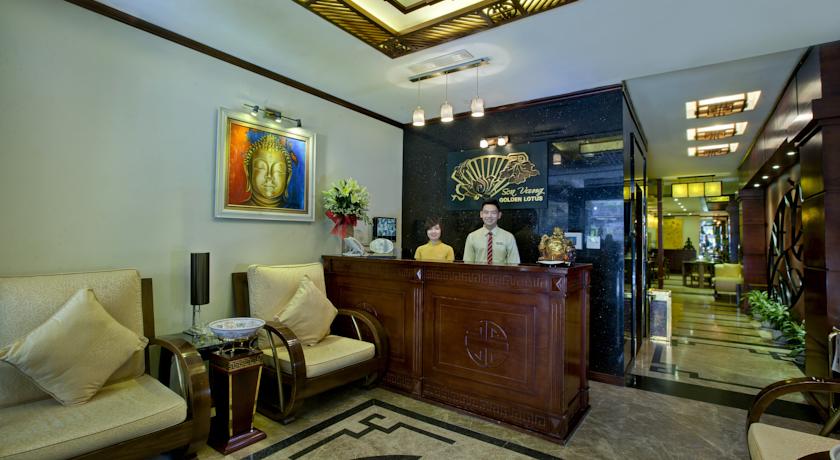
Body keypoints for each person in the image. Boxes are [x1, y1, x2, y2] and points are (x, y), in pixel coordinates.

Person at [243, 135, 295, 208]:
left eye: (278, 170)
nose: (269, 176)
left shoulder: (294, 210)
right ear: (248, 172)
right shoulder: (238, 209)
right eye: (261, 167)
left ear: (288, 177)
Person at [463, 199, 520, 264]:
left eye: (493, 213)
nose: (489, 216)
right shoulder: (472, 237)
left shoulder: (509, 237)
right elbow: (468, 264)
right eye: (486, 212)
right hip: (479, 271)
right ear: (481, 214)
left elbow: (514, 264)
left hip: (501, 271)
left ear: (499, 215)